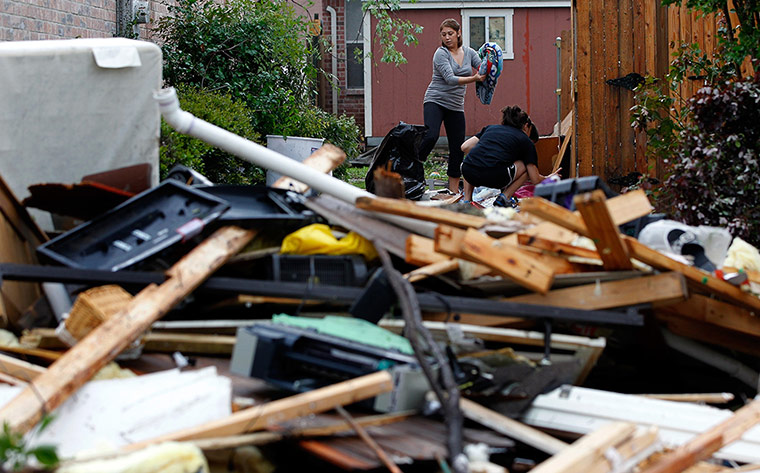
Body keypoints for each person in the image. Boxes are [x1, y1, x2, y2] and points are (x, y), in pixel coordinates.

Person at [418, 18, 484, 194]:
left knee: (458, 147)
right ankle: (413, 165)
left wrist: (492, 64)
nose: (447, 38)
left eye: (450, 34)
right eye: (444, 34)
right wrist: (475, 78)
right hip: (435, 100)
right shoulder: (440, 53)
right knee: (431, 136)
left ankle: (453, 191)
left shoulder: (469, 53)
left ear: (458, 33)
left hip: (455, 106)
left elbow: (482, 67)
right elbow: (450, 79)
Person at [460, 105, 558, 206]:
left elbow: (465, 147)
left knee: (471, 158)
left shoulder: (490, 128)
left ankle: (467, 200)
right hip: (496, 176)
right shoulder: (525, 140)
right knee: (526, 167)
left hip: (469, 173)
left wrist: (486, 152)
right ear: (526, 126)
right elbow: (535, 179)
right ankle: (504, 198)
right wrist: (548, 178)